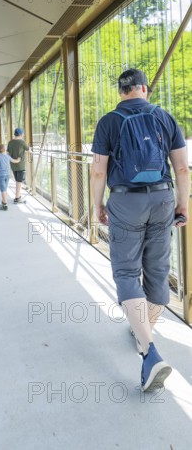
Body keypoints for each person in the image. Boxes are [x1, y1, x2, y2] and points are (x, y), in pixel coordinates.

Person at [90, 68, 190, 392]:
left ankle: (149, 351)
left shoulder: (108, 121)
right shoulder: (165, 117)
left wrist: (97, 207)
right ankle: (143, 330)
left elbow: (97, 172)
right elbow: (182, 168)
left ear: (121, 92)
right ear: (143, 89)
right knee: (158, 272)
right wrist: (182, 204)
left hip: (125, 202)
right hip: (162, 199)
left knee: (126, 273)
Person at [7, 128, 29, 203]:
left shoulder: (10, 142)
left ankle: (19, 196)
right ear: (21, 134)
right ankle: (17, 198)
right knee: (19, 182)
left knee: (17, 180)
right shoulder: (22, 142)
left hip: (13, 164)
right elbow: (28, 149)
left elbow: (8, 152)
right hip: (20, 165)